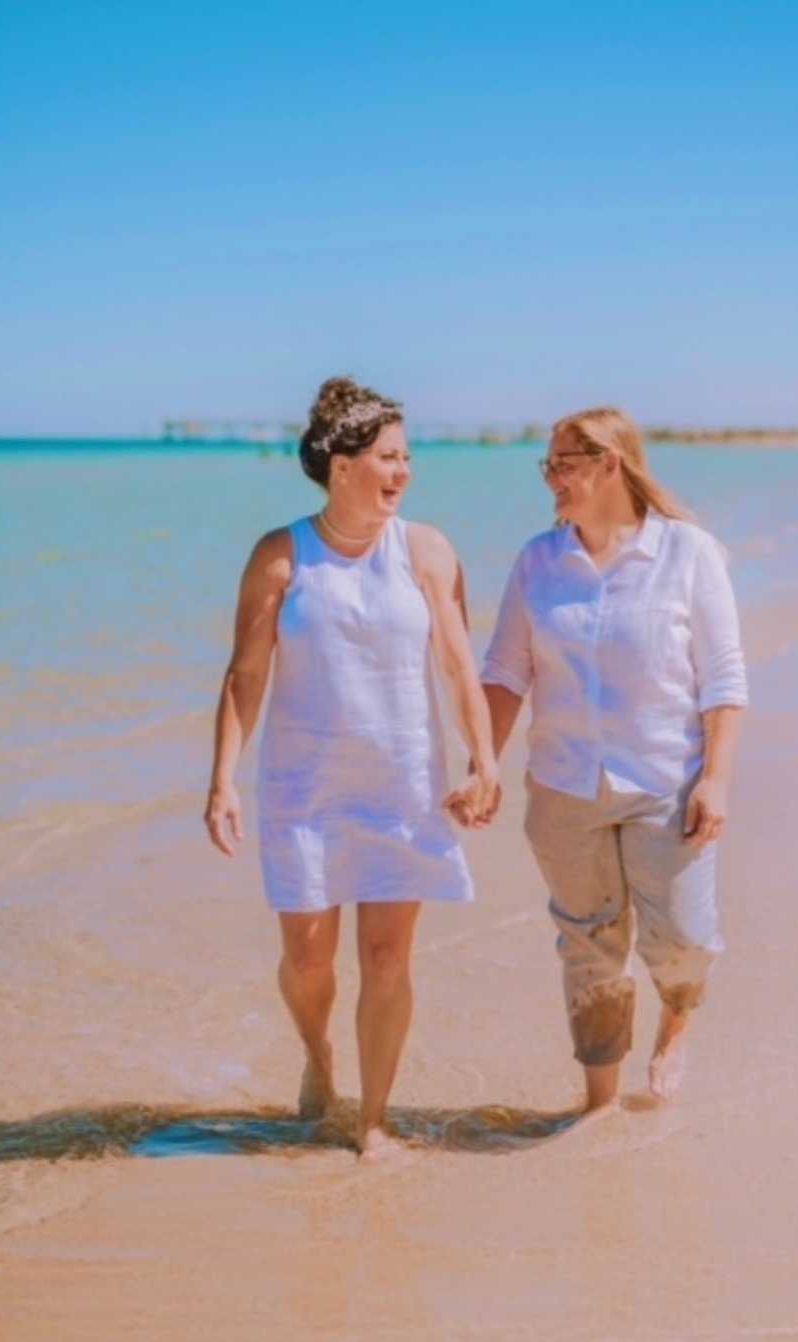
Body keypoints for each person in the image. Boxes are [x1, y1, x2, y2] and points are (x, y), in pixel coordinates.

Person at [205, 377, 499, 1160]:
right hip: (305, 789)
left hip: (403, 782)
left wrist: (484, 760)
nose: (402, 473)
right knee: (308, 959)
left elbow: (460, 666)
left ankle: (373, 1122)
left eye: (407, 458)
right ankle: (318, 1056)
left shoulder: (427, 551)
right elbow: (245, 676)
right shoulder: (281, 556)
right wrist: (223, 779)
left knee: (386, 957)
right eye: (387, 458)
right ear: (340, 465)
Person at [481, 407, 747, 1110]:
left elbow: (723, 678)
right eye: (548, 466)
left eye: (563, 464)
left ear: (609, 465)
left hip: (667, 781)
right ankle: (596, 1101)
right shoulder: (538, 561)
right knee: (588, 946)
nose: (552, 480)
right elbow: (505, 672)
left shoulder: (687, 553)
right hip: (564, 787)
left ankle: (676, 1022)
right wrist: (482, 764)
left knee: (683, 940)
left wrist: (715, 780)